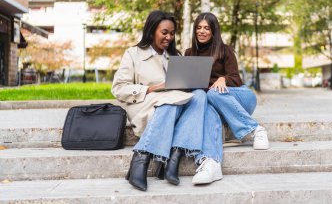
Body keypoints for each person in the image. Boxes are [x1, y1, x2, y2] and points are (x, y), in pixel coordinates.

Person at [112, 10, 210, 191]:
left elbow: (183, 90)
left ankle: (175, 155)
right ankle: (141, 157)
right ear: (151, 31)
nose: (169, 37)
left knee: (200, 96)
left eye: (172, 34)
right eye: (164, 32)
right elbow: (118, 89)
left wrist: (190, 84)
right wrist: (153, 88)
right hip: (145, 105)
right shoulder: (133, 53)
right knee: (170, 101)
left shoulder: (176, 56)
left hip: (172, 104)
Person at [185, 12, 269, 182]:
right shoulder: (189, 53)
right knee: (206, 105)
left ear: (213, 31)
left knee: (214, 92)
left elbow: (236, 79)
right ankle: (211, 164)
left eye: (206, 28)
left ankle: (255, 130)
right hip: (215, 104)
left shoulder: (225, 50)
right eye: (199, 28)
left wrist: (223, 78)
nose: (202, 31)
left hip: (240, 97)